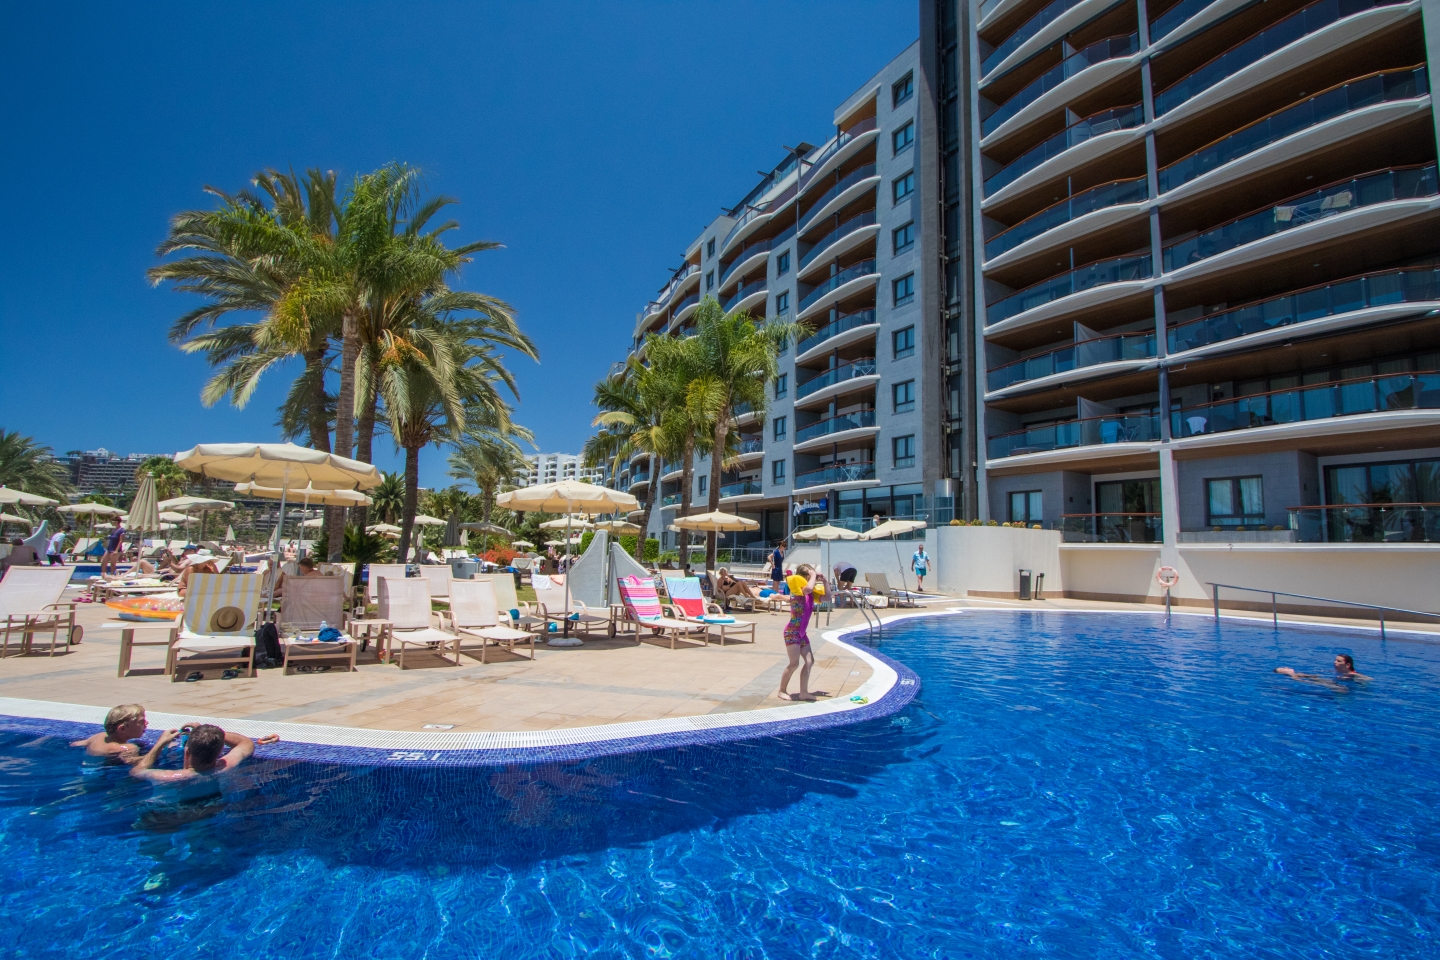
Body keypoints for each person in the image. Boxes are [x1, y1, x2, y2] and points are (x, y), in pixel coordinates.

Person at [130, 722, 281, 786]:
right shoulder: (224, 767)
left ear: (187, 751)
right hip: (209, 811)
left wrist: (160, 744)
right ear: (219, 752)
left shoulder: (169, 777)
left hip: (169, 818)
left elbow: (136, 771)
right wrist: (206, 732)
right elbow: (246, 743)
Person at [777, 564, 829, 702]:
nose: (812, 579)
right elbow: (808, 588)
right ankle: (782, 690)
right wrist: (813, 575)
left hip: (801, 633)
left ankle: (803, 693)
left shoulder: (810, 594)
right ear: (804, 577)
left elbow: (827, 598)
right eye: (809, 576)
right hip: (792, 631)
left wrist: (825, 582)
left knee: (810, 661)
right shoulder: (798, 591)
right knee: (794, 664)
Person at [71, 703, 149, 764]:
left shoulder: (99, 736)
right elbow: (130, 761)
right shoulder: (129, 748)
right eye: (141, 722)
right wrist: (152, 754)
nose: (146, 723)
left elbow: (75, 744)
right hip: (100, 774)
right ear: (122, 729)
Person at [1276, 654, 1371, 688]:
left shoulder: (1354, 675)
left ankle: (1293, 675)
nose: (1335, 662)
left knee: (1322, 682)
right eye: (1335, 660)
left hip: (1343, 692)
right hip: (1338, 686)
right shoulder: (1336, 672)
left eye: (1338, 661)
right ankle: (1292, 675)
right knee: (1316, 678)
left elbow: (1368, 679)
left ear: (1348, 665)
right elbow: (1316, 676)